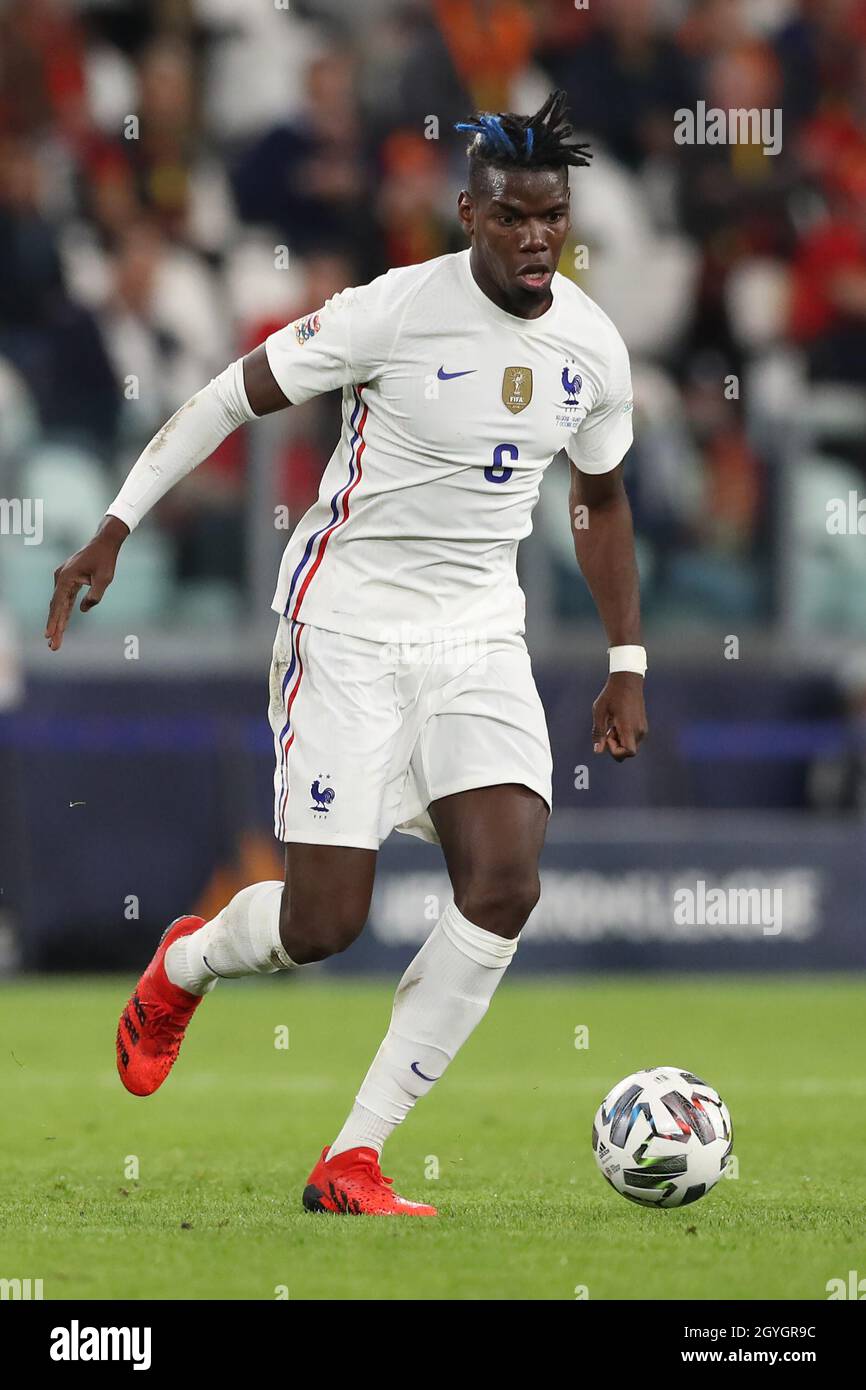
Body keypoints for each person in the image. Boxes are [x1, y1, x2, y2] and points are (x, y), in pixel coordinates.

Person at [45, 91, 648, 1217]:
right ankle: (184, 964)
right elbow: (229, 396)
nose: (535, 238)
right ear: (464, 213)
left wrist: (627, 656)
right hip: (348, 628)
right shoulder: (388, 312)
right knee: (325, 923)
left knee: (506, 880)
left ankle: (352, 1155)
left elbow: (599, 500)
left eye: (551, 217)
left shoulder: (588, 344)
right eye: (511, 215)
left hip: (478, 635)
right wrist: (116, 524)